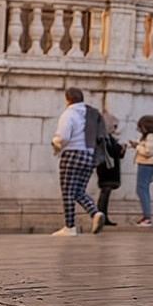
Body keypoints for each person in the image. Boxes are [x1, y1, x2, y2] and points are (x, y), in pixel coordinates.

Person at [50, 87, 106, 236]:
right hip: (88, 155)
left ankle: (70, 227)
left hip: (72, 155)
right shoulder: (91, 114)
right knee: (79, 191)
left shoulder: (69, 114)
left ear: (67, 99)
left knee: (68, 192)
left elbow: (64, 137)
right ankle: (95, 213)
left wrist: (55, 142)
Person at [131, 116, 153, 227]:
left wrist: (137, 147)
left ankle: (147, 218)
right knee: (142, 190)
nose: (139, 129)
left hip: (146, 164)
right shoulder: (151, 136)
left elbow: (148, 151)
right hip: (146, 165)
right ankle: (146, 217)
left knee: (142, 190)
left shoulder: (151, 136)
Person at [95, 107, 125, 227]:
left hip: (109, 169)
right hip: (106, 170)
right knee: (104, 193)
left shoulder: (108, 138)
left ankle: (104, 217)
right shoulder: (103, 138)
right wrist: (119, 148)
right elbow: (110, 151)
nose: (115, 128)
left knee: (106, 194)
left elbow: (115, 152)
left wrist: (121, 149)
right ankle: (101, 216)